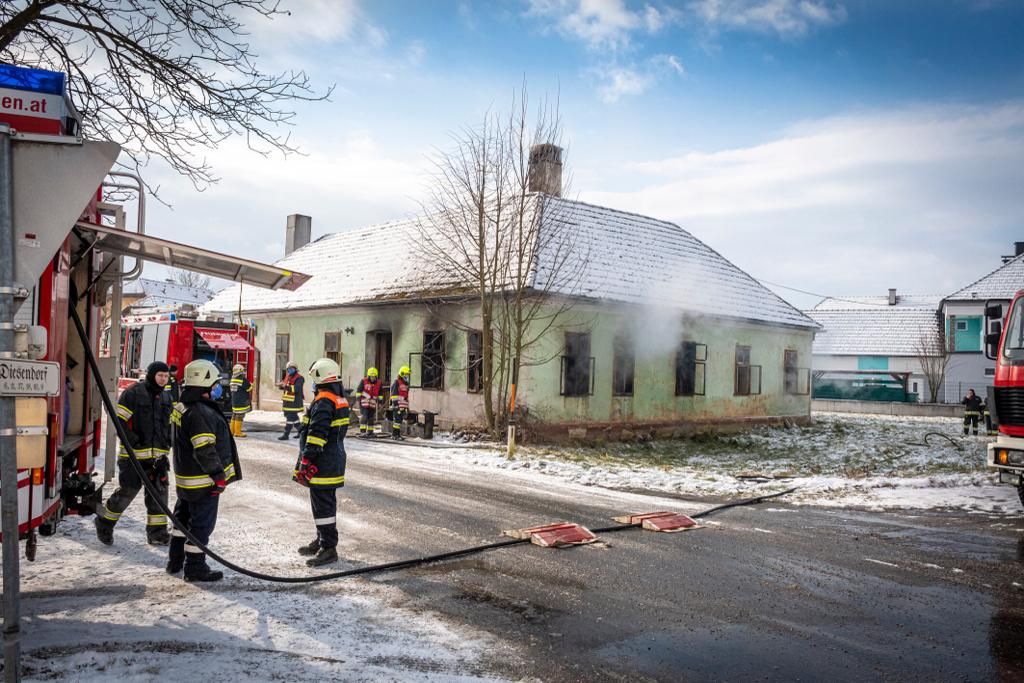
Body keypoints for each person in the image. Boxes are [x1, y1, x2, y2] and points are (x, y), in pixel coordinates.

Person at [166, 359, 242, 582]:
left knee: (181, 521)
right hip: (203, 481)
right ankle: (195, 568)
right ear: (205, 384)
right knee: (201, 526)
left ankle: (175, 560)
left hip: (186, 480)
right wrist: (218, 476)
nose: (219, 387)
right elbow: (204, 449)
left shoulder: (183, 406)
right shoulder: (200, 412)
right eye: (216, 383)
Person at [96, 361, 173, 546]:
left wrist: (167, 444)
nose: (163, 379)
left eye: (166, 376)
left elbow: (168, 425)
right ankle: (104, 523)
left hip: (157, 459)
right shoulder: (133, 393)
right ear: (151, 375)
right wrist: (133, 441)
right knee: (127, 493)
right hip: (133, 458)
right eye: (160, 375)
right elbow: (119, 420)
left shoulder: (166, 398)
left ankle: (157, 533)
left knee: (159, 496)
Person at [294, 358, 350, 567]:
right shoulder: (337, 398)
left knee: (323, 504)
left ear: (320, 377)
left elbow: (317, 435)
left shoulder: (324, 401)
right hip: (331, 460)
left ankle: (328, 548)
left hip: (322, 462)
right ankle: (321, 539)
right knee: (323, 503)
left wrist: (307, 459)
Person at [277, 360, 305, 440]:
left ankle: (286, 434)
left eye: (292, 369)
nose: (290, 370)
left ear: (295, 369)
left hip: (294, 403)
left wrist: (285, 386)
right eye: (288, 369)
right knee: (294, 419)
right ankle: (301, 432)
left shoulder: (300, 378)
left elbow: (296, 389)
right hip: (287, 402)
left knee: (290, 419)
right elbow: (285, 386)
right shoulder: (288, 377)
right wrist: (281, 386)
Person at [354, 367, 383, 437]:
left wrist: (380, 402)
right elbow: (358, 391)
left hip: (372, 403)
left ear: (376, 376)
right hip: (364, 402)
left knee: (371, 417)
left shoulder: (379, 383)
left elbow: (380, 394)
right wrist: (359, 400)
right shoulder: (363, 381)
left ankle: (370, 432)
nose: (373, 378)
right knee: (365, 416)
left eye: (374, 377)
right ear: (368, 376)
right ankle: (362, 432)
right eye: (371, 377)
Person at [229, 363, 252, 438]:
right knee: (239, 416)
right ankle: (238, 432)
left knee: (234, 416)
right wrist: (252, 385)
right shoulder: (242, 380)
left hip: (234, 401)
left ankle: (232, 431)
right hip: (241, 402)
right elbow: (249, 388)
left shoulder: (232, 379)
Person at [389, 365, 411, 441]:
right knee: (397, 421)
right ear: (402, 374)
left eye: (408, 375)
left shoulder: (405, 384)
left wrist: (406, 406)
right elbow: (394, 395)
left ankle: (397, 434)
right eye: (406, 375)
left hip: (402, 406)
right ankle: (395, 435)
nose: (407, 376)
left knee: (399, 421)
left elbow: (405, 396)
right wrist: (396, 405)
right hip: (397, 406)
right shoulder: (397, 382)